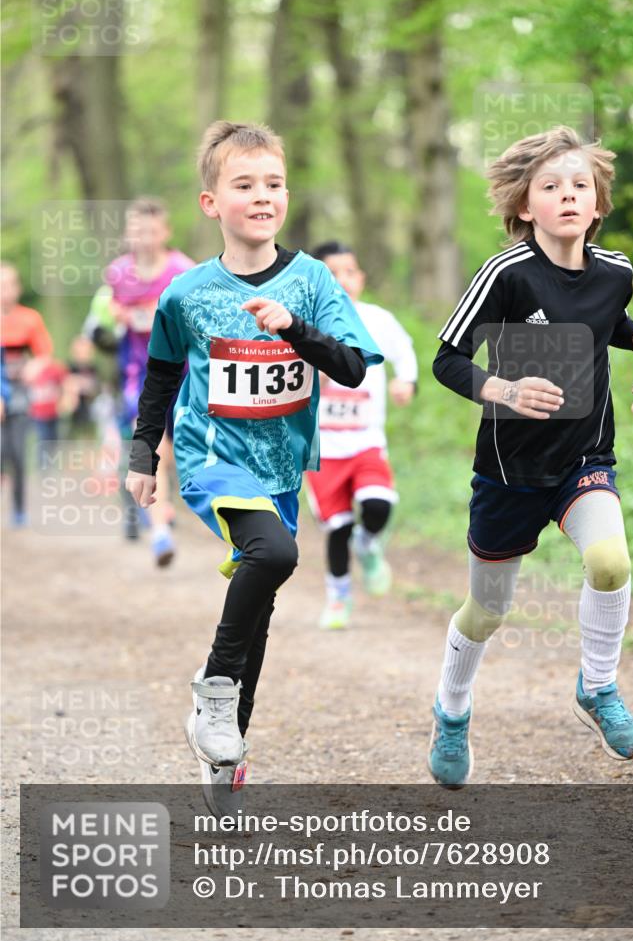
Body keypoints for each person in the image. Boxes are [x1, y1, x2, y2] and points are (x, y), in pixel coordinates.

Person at [124, 121, 382, 793]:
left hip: (280, 468)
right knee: (273, 556)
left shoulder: (312, 281)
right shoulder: (186, 293)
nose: (261, 196)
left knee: (260, 607)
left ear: (287, 196)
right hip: (212, 457)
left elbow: (352, 368)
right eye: (244, 184)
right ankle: (212, 695)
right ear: (212, 202)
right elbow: (160, 375)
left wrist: (295, 329)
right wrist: (143, 454)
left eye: (273, 184)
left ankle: (224, 756)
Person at [428, 126, 633, 787]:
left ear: (596, 205)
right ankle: (450, 710)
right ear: (525, 205)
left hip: (583, 458)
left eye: (579, 186)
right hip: (507, 475)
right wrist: (500, 387)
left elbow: (606, 319)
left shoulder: (613, 271)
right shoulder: (504, 275)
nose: (567, 195)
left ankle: (597, 688)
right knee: (488, 611)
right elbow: (446, 359)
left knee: (611, 560)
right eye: (551, 186)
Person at [306, 241, 417, 629]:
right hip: (322, 450)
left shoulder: (378, 320)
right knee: (337, 527)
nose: (342, 280)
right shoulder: (303, 326)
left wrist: (406, 381)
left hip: (367, 441)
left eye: (348, 272)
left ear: (361, 278)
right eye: (331, 274)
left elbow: (404, 351)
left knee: (378, 505)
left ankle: (368, 545)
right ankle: (338, 597)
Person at [106, 198, 194, 563]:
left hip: (184, 373)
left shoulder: (183, 270)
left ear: (165, 233)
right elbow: (107, 319)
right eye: (137, 231)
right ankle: (159, 528)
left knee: (176, 452)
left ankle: (169, 504)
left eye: (152, 231)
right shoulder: (117, 274)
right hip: (139, 375)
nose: (144, 238)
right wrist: (115, 319)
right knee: (152, 445)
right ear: (128, 234)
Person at [0, 262, 54, 526]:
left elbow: (44, 354)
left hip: (20, 393)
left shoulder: (30, 318)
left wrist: (34, 366)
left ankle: (19, 509)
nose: (4, 292)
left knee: (18, 453)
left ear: (17, 288)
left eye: (9, 285)